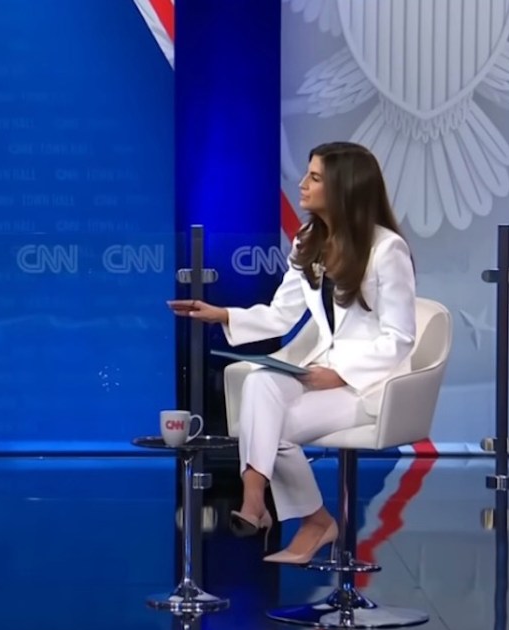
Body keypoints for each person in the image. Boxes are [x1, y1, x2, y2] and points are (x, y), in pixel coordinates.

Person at [168, 141, 416, 564]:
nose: (302, 184)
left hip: (368, 385)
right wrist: (223, 314)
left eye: (315, 177)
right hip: (319, 373)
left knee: (269, 427)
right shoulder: (308, 240)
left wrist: (339, 373)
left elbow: (401, 337)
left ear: (344, 188)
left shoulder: (386, 249)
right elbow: (282, 316)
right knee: (262, 383)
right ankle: (258, 499)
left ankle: (307, 518)